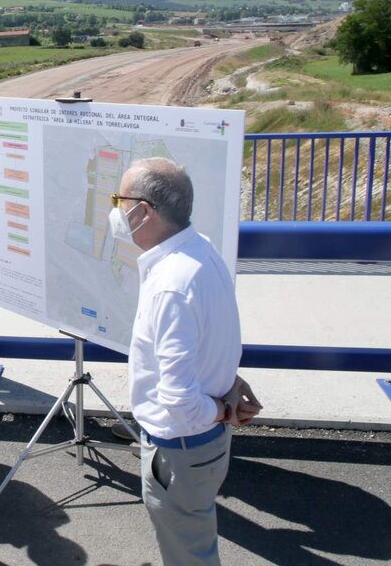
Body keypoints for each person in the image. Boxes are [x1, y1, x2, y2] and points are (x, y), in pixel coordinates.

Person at [109, 157, 261, 566]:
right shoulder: (201, 250)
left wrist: (223, 409)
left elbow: (177, 399)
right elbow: (216, 338)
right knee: (193, 541)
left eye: (118, 200)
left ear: (143, 211)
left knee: (188, 553)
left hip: (179, 449)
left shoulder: (170, 288)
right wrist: (226, 390)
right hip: (204, 446)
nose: (115, 212)